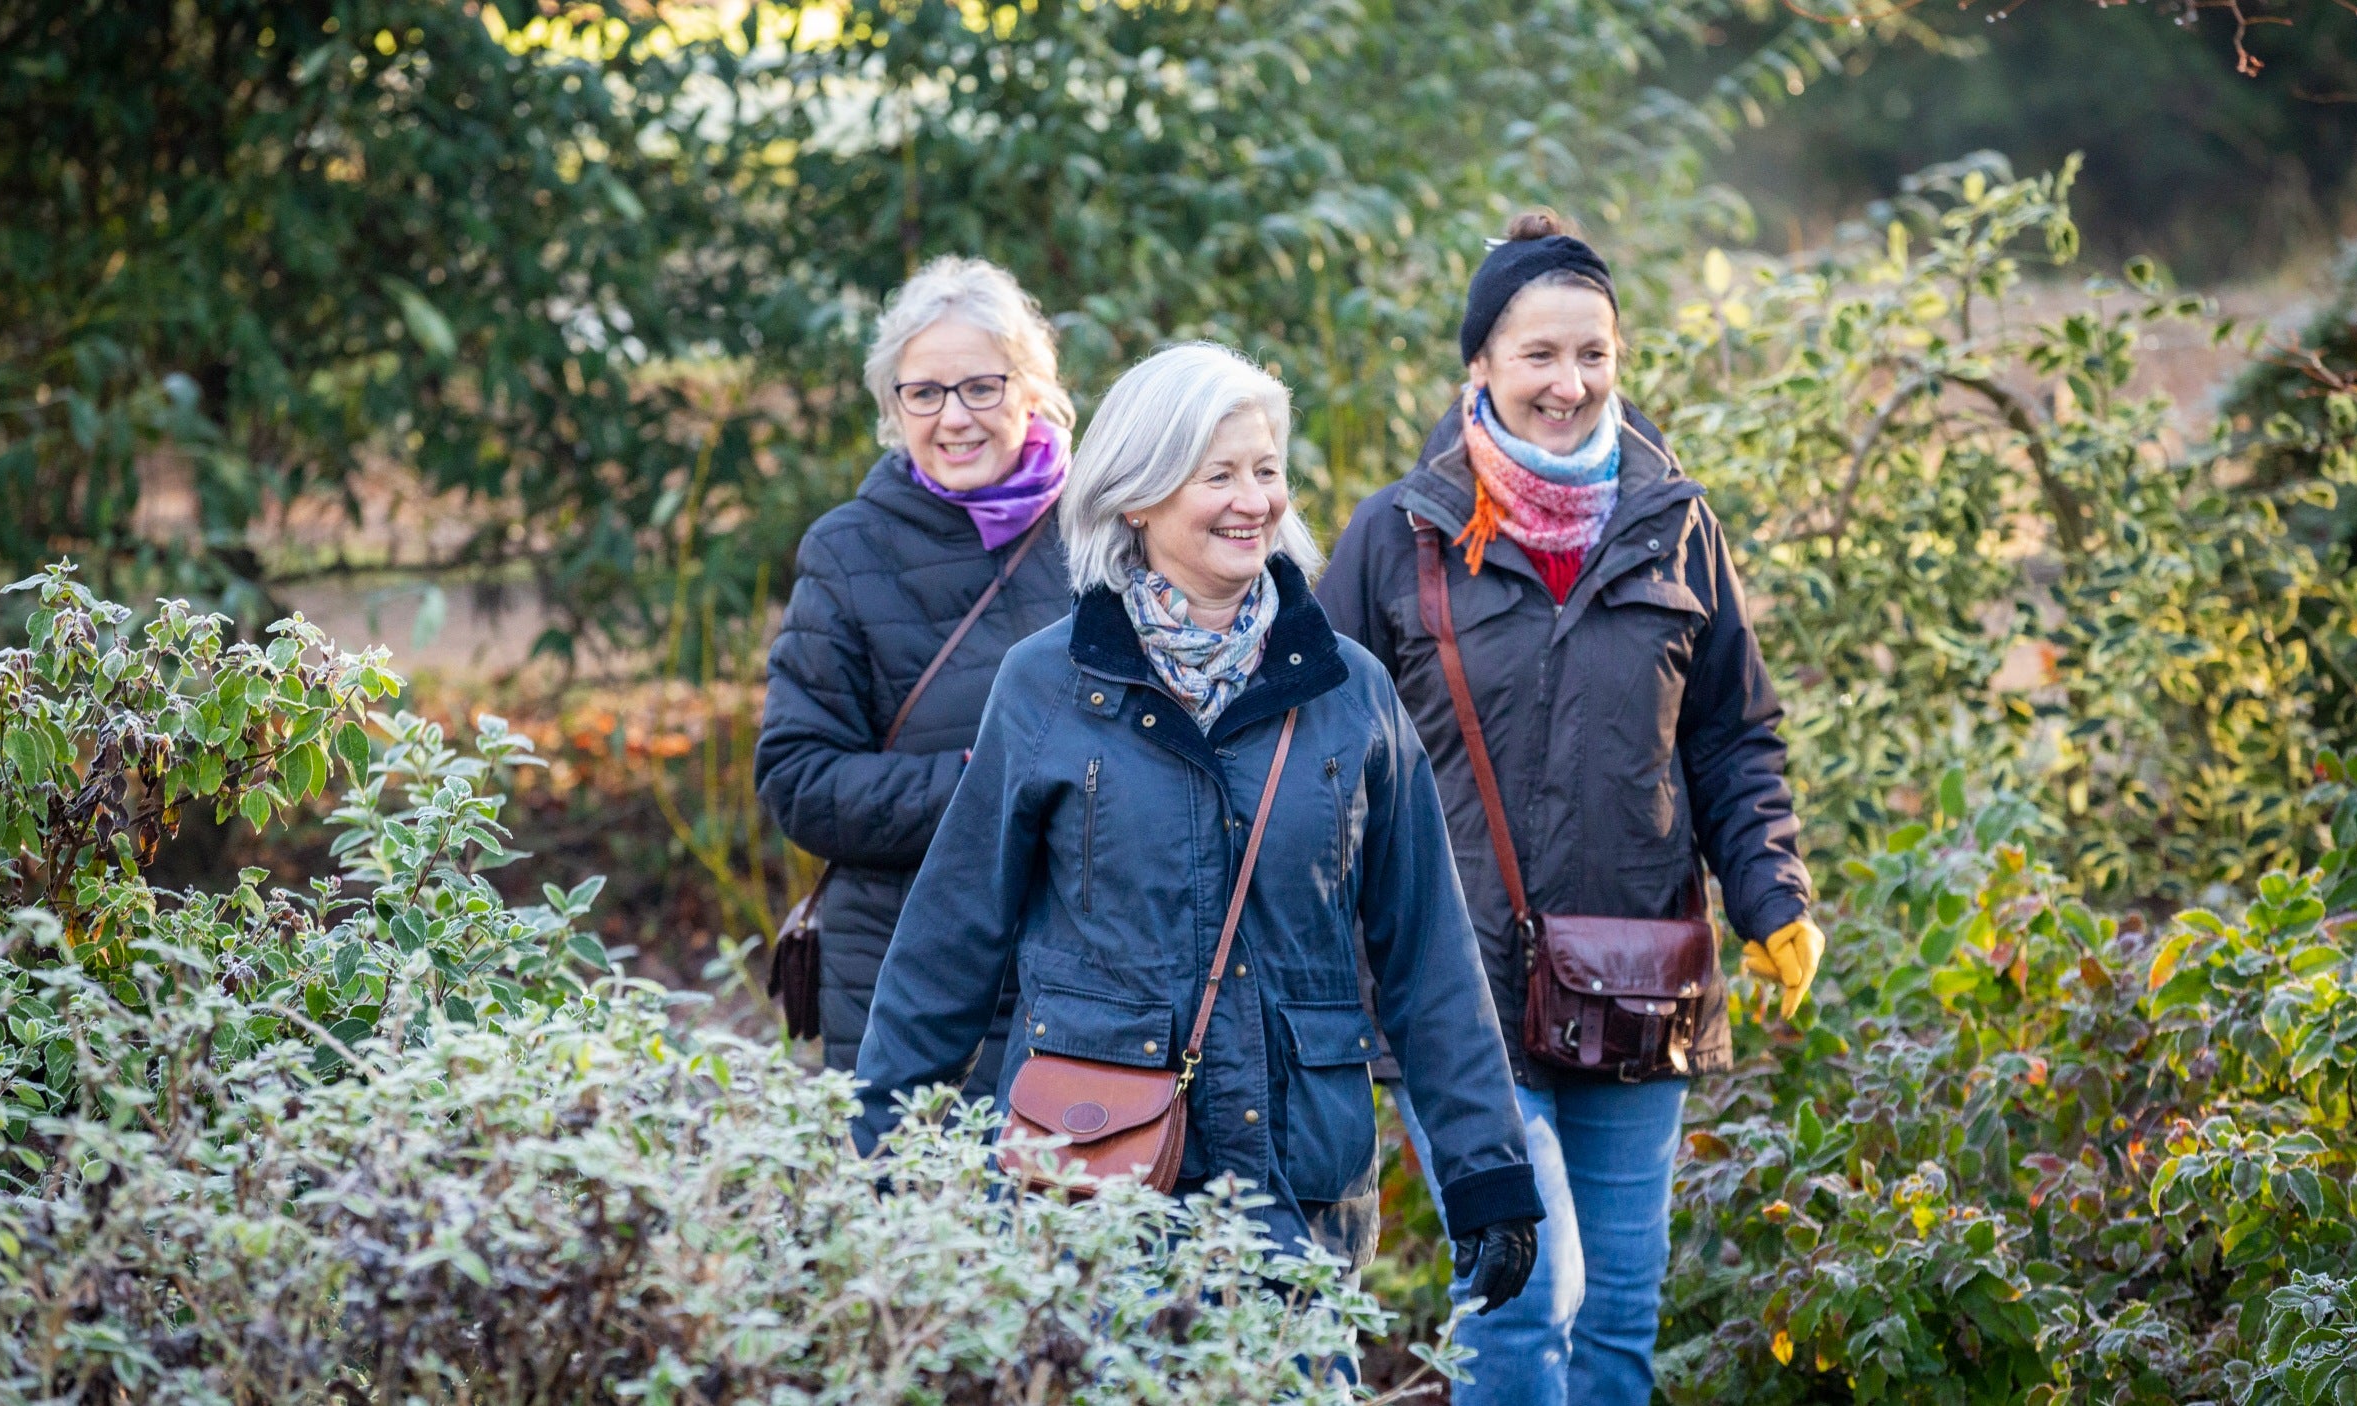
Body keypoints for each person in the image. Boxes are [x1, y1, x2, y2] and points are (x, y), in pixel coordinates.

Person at [851, 342, 1543, 1298]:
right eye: (1217, 474)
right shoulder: (1049, 687)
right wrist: (879, 1147)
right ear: (1138, 495)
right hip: (1092, 1186)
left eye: (1266, 471)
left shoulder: (1350, 693)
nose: (1253, 500)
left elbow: (1429, 951)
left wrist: (1487, 1175)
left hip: (1298, 1191)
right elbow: (951, 937)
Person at [1317, 212, 1824, 1406]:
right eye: (1538, 355)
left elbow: (1729, 736)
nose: (1569, 382)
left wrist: (1771, 895)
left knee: (1615, 1319)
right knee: (1523, 1294)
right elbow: (1319, 757)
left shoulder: (1677, 524)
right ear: (1478, 370)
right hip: (1455, 986)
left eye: (1592, 353)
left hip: (1638, 976)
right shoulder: (1400, 538)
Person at [755, 256, 1077, 1090]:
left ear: (1030, 387)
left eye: (981, 386)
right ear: (893, 407)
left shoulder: (1105, 537)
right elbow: (799, 781)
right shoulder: (847, 550)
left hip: (1079, 972)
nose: (954, 417)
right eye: (923, 393)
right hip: (903, 982)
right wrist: (984, 787)